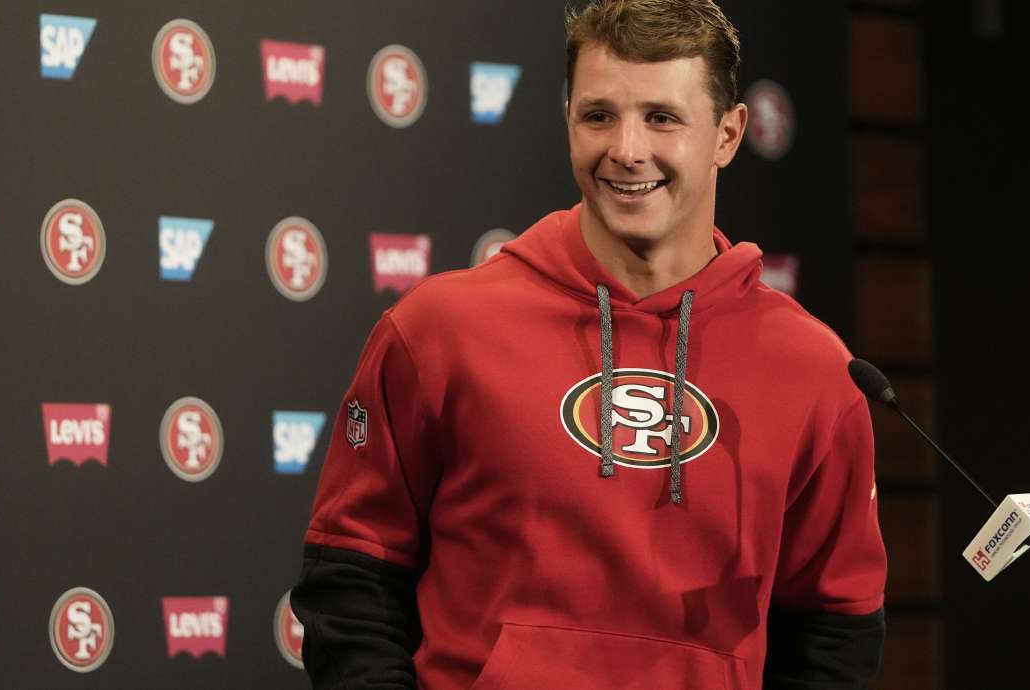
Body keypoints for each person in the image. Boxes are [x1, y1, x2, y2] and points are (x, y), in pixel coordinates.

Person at [292, 1, 888, 688]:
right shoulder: (438, 330)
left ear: (728, 135)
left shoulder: (814, 371)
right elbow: (352, 584)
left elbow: (832, 633)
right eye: (598, 115)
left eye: (662, 118)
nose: (626, 150)